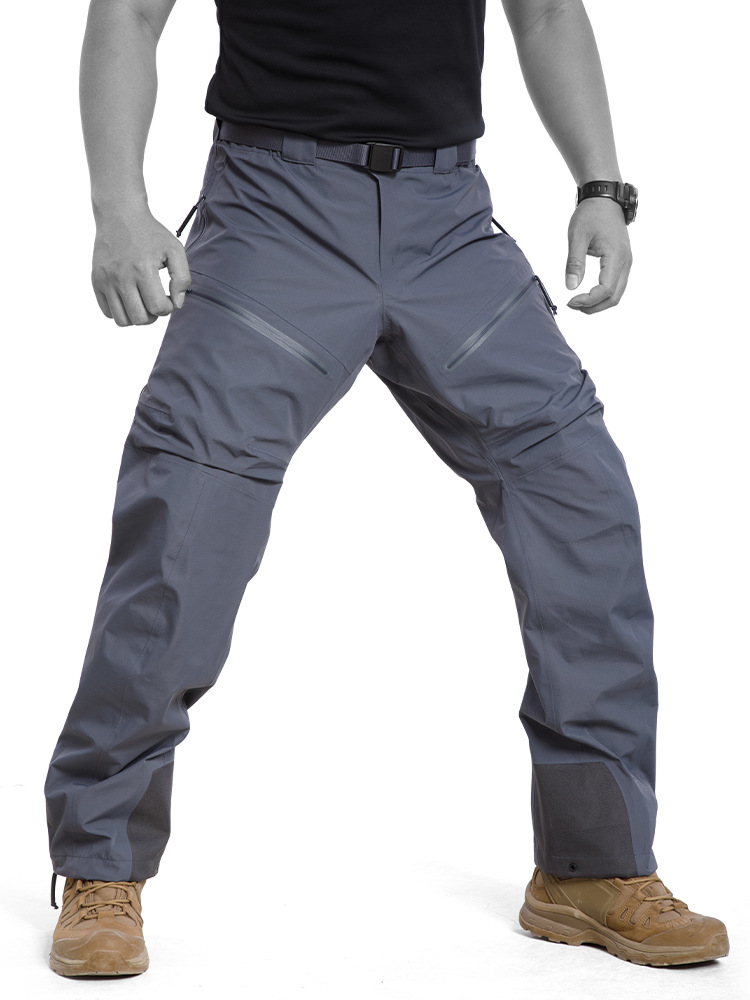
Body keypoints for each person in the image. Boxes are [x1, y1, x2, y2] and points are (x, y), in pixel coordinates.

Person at [45, 0, 729, 978]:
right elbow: (128, 15)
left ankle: (594, 866)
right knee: (186, 525)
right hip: (275, 208)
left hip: (446, 220)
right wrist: (119, 205)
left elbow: (545, 14)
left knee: (582, 500)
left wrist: (602, 188)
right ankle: (102, 863)